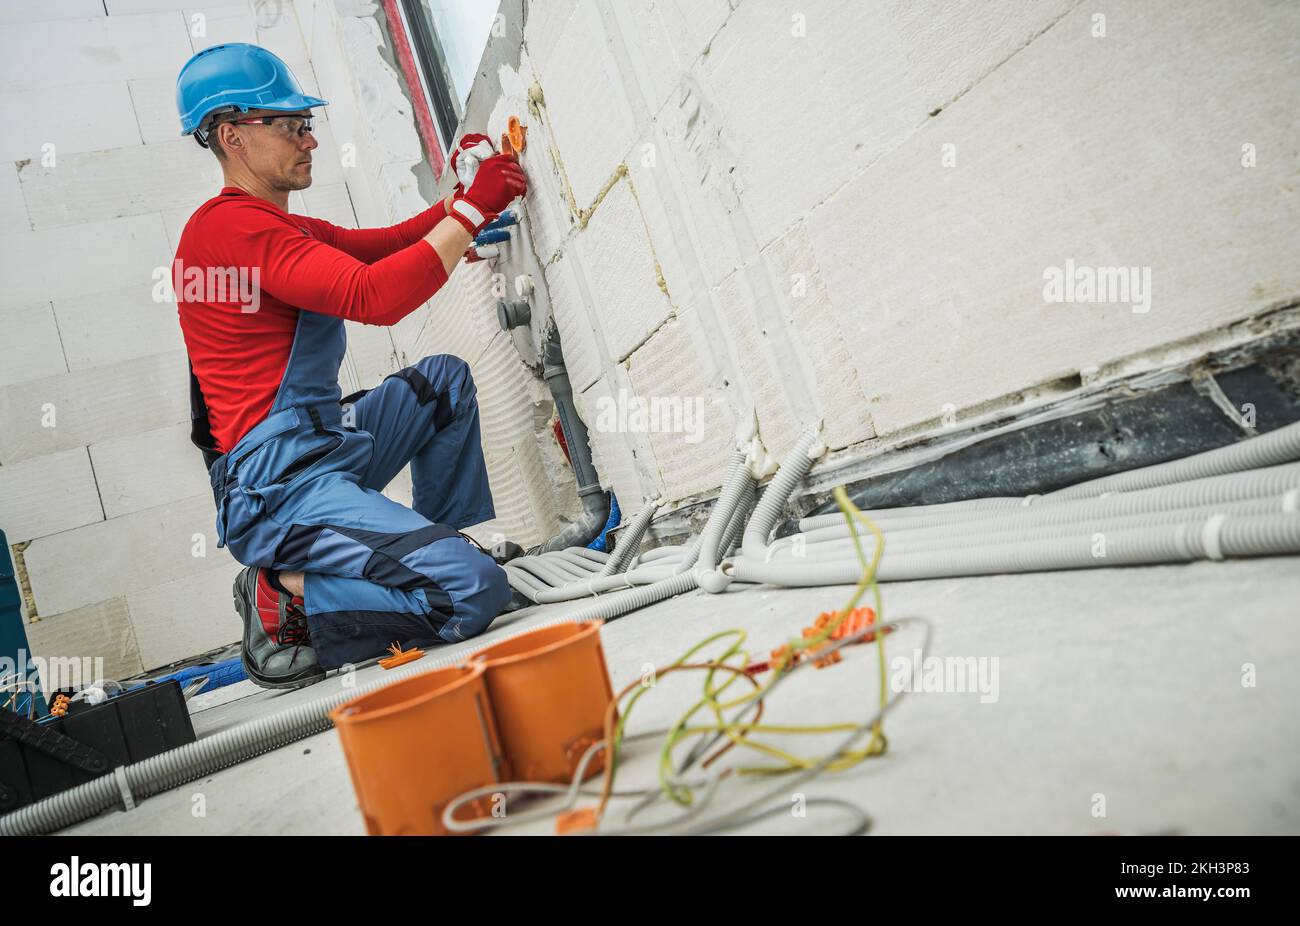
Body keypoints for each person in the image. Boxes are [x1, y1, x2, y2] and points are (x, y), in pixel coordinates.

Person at [173, 43, 527, 689]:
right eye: (290, 125)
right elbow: (376, 297)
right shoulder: (229, 230)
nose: (309, 140)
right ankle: (287, 594)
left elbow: (389, 246)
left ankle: (431, 549)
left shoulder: (280, 227)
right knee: (474, 593)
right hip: (280, 488)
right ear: (233, 135)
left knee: (442, 382)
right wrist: (473, 210)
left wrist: (463, 200)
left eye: (308, 124)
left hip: (321, 443)